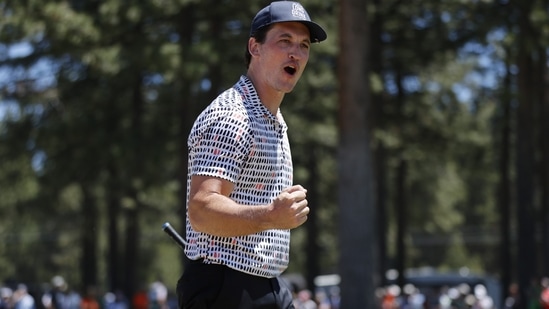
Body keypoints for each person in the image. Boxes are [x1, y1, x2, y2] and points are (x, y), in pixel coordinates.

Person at [175, 1, 327, 308]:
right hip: (225, 288)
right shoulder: (232, 116)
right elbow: (202, 209)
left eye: (303, 45)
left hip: (265, 283)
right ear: (254, 47)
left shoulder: (272, 119)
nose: (295, 53)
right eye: (284, 41)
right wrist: (271, 216)